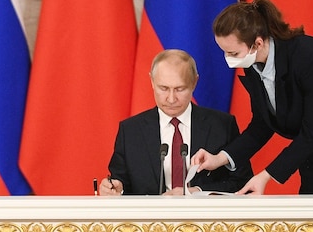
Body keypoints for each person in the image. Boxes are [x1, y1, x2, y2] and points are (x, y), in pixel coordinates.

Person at [191, 0, 313, 194]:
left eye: (233, 53)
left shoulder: (311, 58)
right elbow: (262, 125)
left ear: (257, 43)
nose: (228, 59)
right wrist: (220, 158)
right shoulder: (252, 64)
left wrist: (266, 175)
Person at [100, 49, 252, 195]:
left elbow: (242, 182)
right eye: (163, 88)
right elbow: (120, 182)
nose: (171, 99)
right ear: (152, 82)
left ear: (194, 83)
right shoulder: (131, 131)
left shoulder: (222, 126)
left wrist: (196, 192)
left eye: (179, 89)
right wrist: (116, 188)